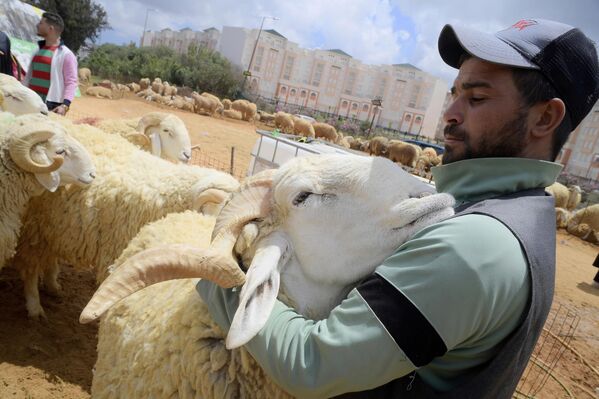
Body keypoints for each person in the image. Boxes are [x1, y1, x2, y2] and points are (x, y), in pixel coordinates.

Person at [198, 18, 599, 398]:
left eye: (476, 97)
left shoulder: (477, 244)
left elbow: (312, 362)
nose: (451, 113)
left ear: (545, 117)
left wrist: (223, 281)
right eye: (455, 93)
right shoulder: (524, 211)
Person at [23, 12, 77, 115]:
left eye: (41, 23)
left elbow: (71, 82)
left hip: (51, 106)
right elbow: (28, 77)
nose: (37, 25)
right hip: (30, 101)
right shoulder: (37, 51)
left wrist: (65, 106)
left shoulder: (66, 54)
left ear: (50, 28)